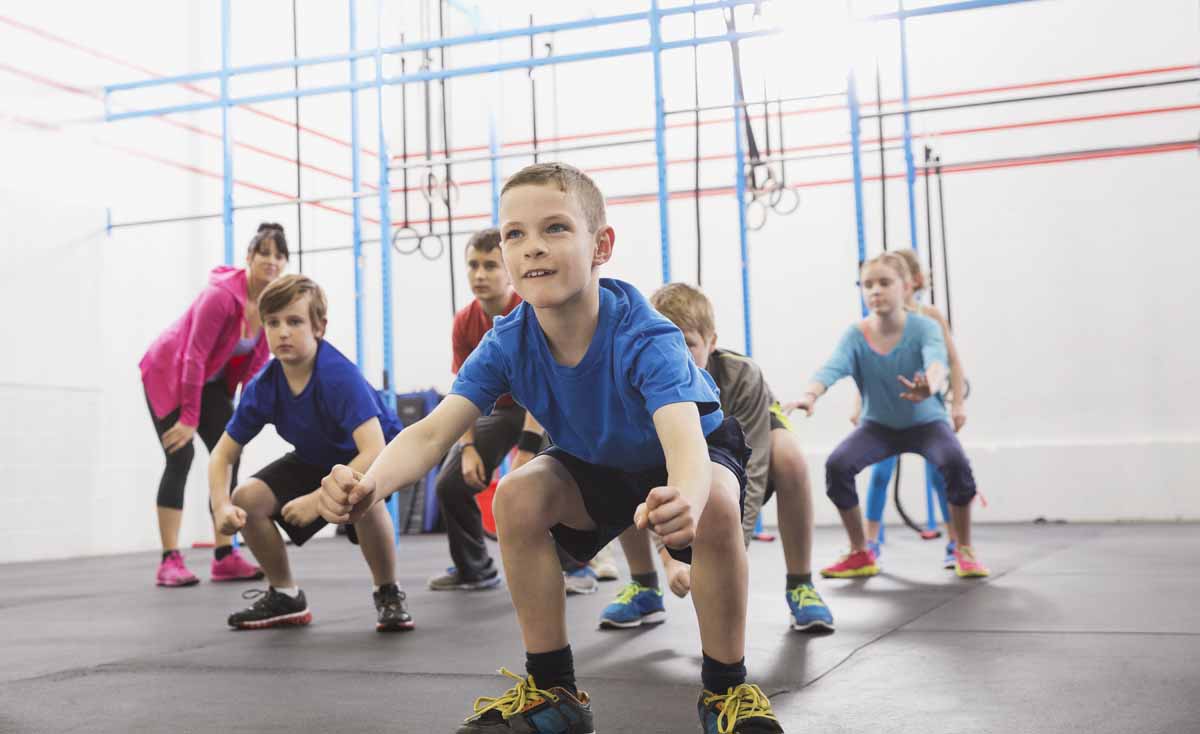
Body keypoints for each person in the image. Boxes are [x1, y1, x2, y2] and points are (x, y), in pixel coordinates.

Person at [313, 163, 784, 733]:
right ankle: (553, 693)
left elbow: (683, 440)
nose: (532, 247)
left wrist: (684, 497)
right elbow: (433, 432)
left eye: (555, 228)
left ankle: (725, 694)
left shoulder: (645, 333)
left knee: (715, 502)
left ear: (600, 245)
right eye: (515, 234)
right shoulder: (507, 341)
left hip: (688, 451)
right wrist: (369, 485)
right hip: (598, 458)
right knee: (515, 495)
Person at [598, 282, 833, 633]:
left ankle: (801, 584)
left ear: (711, 341)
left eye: (688, 343)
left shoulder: (743, 376)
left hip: (748, 454)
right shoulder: (643, 379)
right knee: (615, 458)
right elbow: (651, 472)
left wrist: (730, 555)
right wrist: (672, 560)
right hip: (679, 466)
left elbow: (750, 469)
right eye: (664, 341)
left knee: (790, 456)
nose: (675, 353)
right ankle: (645, 586)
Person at [207, 274, 412, 632]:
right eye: (273, 323)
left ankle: (388, 592)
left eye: (295, 321)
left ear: (319, 327)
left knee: (365, 493)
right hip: (318, 457)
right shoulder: (263, 386)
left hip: (375, 457)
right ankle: (285, 595)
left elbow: (374, 450)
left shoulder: (338, 376)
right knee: (247, 498)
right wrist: (222, 505)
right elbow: (221, 455)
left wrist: (319, 500)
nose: (283, 331)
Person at [785, 252, 988, 580]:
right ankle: (860, 551)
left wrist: (931, 386)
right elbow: (832, 367)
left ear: (906, 286)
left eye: (884, 283)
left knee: (955, 463)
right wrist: (810, 396)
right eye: (868, 285)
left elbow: (937, 361)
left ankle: (964, 549)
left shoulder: (925, 326)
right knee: (838, 466)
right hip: (878, 427)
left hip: (927, 424)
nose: (875, 291)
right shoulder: (855, 334)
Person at [139, 222, 286, 587]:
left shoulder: (270, 306)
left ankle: (224, 555)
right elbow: (193, 355)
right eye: (264, 253)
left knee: (229, 452)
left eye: (279, 255)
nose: (271, 261)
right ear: (249, 257)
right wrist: (189, 417)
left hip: (210, 384)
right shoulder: (220, 296)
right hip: (170, 374)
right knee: (181, 455)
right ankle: (169, 560)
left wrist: (245, 416)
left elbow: (253, 371)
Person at [857, 249, 968, 569]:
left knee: (939, 472)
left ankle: (955, 542)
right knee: (880, 473)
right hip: (885, 413)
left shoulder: (928, 317)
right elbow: (865, 365)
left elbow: (952, 361)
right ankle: (870, 542)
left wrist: (958, 403)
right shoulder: (876, 321)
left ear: (911, 282)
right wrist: (859, 404)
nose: (878, 290)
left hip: (923, 412)